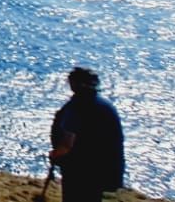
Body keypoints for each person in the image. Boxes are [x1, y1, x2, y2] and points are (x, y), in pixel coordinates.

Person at [50, 66, 126, 202]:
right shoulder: (104, 105)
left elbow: (67, 144)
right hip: (105, 167)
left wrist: (56, 154)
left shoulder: (78, 107)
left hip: (82, 168)